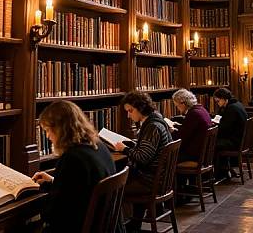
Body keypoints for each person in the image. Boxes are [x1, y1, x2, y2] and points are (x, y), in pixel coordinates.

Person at [32, 100, 117, 233]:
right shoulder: (98, 146)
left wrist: (39, 192)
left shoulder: (72, 158)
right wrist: (54, 182)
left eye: (48, 130)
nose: (48, 136)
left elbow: (54, 214)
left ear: (61, 129)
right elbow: (80, 188)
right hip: (107, 225)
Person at [114, 91, 172, 233]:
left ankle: (118, 228)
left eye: (130, 111)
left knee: (113, 190)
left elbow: (143, 157)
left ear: (140, 107)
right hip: (159, 178)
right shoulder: (156, 119)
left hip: (151, 181)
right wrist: (133, 146)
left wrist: (125, 149)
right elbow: (149, 150)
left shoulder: (152, 126)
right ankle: (134, 224)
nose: (128, 115)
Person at [213, 87, 248, 180]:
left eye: (218, 101)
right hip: (239, 140)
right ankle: (225, 170)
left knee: (212, 145)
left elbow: (225, 129)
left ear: (224, 98)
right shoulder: (236, 104)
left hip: (234, 141)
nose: (217, 104)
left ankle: (219, 173)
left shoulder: (232, 109)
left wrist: (215, 126)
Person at [171, 88, 212, 162]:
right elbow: (191, 129)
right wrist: (178, 126)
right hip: (204, 151)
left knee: (164, 158)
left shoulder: (193, 114)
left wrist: (171, 131)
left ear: (183, 103)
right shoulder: (201, 109)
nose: (177, 108)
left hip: (194, 154)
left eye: (177, 106)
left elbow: (182, 137)